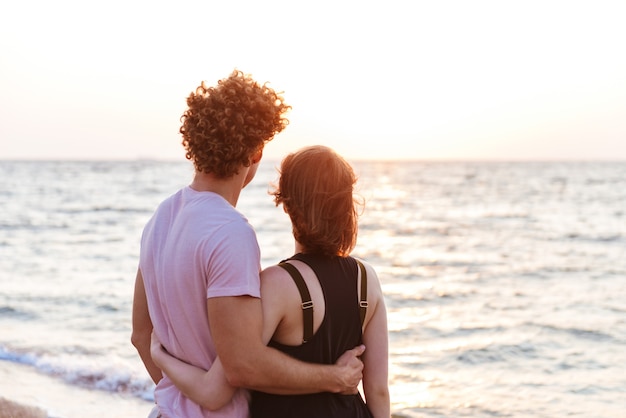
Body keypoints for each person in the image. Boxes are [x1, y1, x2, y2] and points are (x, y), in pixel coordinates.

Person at [131, 71, 366, 418]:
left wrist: (178, 399)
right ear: (256, 152)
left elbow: (141, 335)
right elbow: (243, 366)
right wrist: (336, 377)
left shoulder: (160, 219)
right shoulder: (231, 232)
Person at [151, 145, 390, 417]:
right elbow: (379, 391)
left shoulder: (276, 285)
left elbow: (215, 388)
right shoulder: (367, 280)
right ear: (347, 207)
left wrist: (162, 357)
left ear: (286, 204)